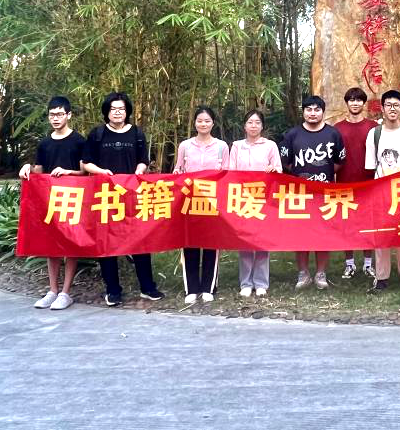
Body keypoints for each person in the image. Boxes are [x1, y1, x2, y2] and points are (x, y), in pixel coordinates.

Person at [82, 91, 163, 306]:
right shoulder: (97, 134)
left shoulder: (136, 133)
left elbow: (143, 159)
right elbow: (85, 162)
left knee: (140, 239)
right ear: (106, 111)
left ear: (127, 111)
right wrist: (101, 171)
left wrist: (140, 169)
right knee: (106, 241)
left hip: (132, 194)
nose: (117, 112)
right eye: (113, 109)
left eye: (121, 109)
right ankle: (113, 290)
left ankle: (147, 287)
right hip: (105, 195)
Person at [19, 96, 85, 311]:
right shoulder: (45, 143)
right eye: (52, 115)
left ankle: (66, 293)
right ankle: (52, 290)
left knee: (70, 245)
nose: (56, 118)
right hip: (50, 199)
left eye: (60, 114)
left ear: (69, 115)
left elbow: (84, 172)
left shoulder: (78, 141)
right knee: (51, 245)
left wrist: (67, 171)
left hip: (73, 198)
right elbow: (38, 172)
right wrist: (27, 168)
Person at [279, 95, 345, 290]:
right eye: (309, 109)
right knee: (300, 233)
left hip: (324, 192)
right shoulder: (292, 135)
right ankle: (303, 273)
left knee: (323, 232)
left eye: (317, 110)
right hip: (299, 193)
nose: (313, 113)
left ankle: (321, 273)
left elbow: (339, 162)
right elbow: (286, 162)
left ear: (323, 112)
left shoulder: (333, 134)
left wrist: (323, 176)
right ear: (303, 112)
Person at [173, 106, 229, 305]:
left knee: (211, 244)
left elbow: (227, 174)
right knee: (189, 242)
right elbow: (178, 169)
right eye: (200, 121)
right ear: (195, 123)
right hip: (189, 201)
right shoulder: (185, 146)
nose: (203, 124)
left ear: (213, 123)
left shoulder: (222, 146)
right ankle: (192, 288)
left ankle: (208, 287)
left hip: (213, 202)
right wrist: (177, 175)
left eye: (207, 121)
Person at [365, 89, 400, 291]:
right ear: (382, 108)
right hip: (381, 191)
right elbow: (371, 166)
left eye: (396, 105)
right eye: (388, 105)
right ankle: (381, 277)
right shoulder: (375, 134)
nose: (392, 109)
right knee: (381, 235)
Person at [228, 109, 282, 298]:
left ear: (262, 126)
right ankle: (245, 282)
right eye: (250, 122)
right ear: (244, 126)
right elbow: (231, 172)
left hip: (263, 199)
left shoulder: (270, 146)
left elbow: (279, 170)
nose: (253, 126)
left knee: (261, 242)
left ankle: (260, 283)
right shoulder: (236, 146)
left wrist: (273, 169)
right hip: (242, 199)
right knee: (244, 241)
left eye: (257, 122)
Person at [333, 87, 375, 280]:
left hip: (368, 183)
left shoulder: (373, 127)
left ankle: (368, 264)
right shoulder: (337, 129)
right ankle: (349, 264)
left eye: (358, 100)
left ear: (363, 103)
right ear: (347, 103)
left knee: (368, 225)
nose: (355, 103)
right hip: (344, 182)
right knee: (347, 225)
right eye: (351, 100)